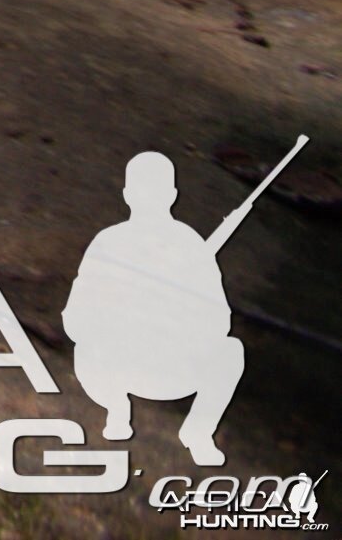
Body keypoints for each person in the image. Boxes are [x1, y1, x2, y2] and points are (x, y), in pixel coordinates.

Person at [63, 147, 253, 463]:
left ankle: (199, 431)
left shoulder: (191, 246)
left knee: (230, 351)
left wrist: (176, 315)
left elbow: (220, 322)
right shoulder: (109, 243)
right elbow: (74, 321)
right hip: (117, 367)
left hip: (173, 368)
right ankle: (117, 409)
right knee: (85, 349)